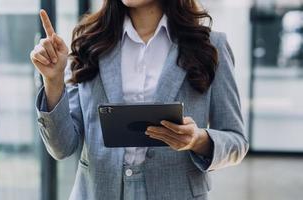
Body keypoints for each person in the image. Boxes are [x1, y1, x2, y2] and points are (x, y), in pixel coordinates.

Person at [30, 0, 249, 199]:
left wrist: (198, 140)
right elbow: (62, 147)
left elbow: (236, 141)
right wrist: (53, 81)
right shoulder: (89, 42)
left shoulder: (210, 45)